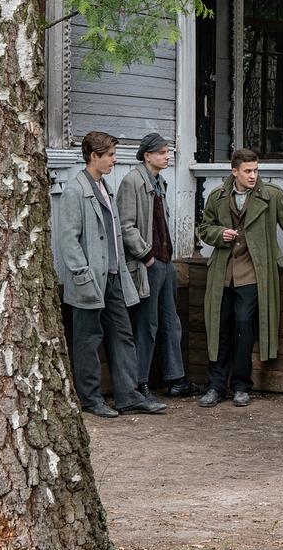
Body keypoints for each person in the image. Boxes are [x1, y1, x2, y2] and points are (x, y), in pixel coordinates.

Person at [56, 131, 166, 418]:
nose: (115, 161)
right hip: (89, 281)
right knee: (87, 340)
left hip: (114, 277)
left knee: (123, 335)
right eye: (111, 155)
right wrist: (82, 275)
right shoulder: (76, 190)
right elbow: (68, 239)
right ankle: (91, 399)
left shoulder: (105, 186)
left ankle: (128, 396)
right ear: (94, 156)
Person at [198, 149, 283, 408]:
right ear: (234, 171)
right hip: (222, 274)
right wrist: (219, 234)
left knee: (243, 327)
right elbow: (204, 229)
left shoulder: (270, 196)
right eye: (248, 171)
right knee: (219, 328)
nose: (253, 175)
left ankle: (241, 386)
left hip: (254, 273)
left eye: (256, 170)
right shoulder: (217, 197)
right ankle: (215, 387)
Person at [117, 133, 198, 401]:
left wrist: (164, 258)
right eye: (162, 152)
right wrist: (146, 255)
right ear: (147, 155)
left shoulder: (159, 182)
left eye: (167, 152)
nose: (167, 156)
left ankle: (176, 380)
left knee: (171, 323)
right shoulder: (132, 182)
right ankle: (139, 383)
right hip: (147, 265)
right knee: (146, 325)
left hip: (165, 263)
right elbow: (125, 226)